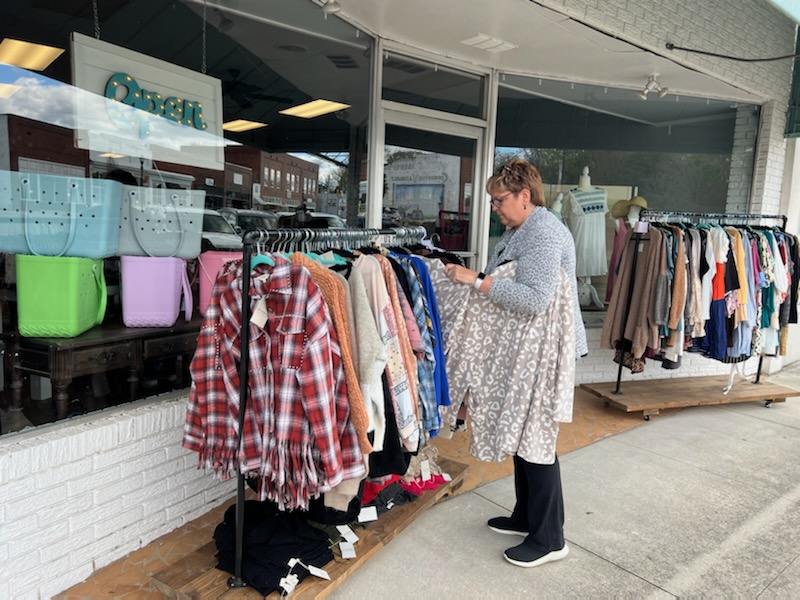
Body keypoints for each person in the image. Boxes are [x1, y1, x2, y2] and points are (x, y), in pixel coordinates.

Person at [443, 159, 587, 568]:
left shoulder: (544, 234)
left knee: (537, 437)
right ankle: (526, 516)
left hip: (545, 352)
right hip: (528, 349)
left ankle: (550, 538)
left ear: (525, 196)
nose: (494, 208)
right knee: (524, 434)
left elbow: (535, 299)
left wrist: (476, 280)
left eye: (499, 199)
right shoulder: (521, 229)